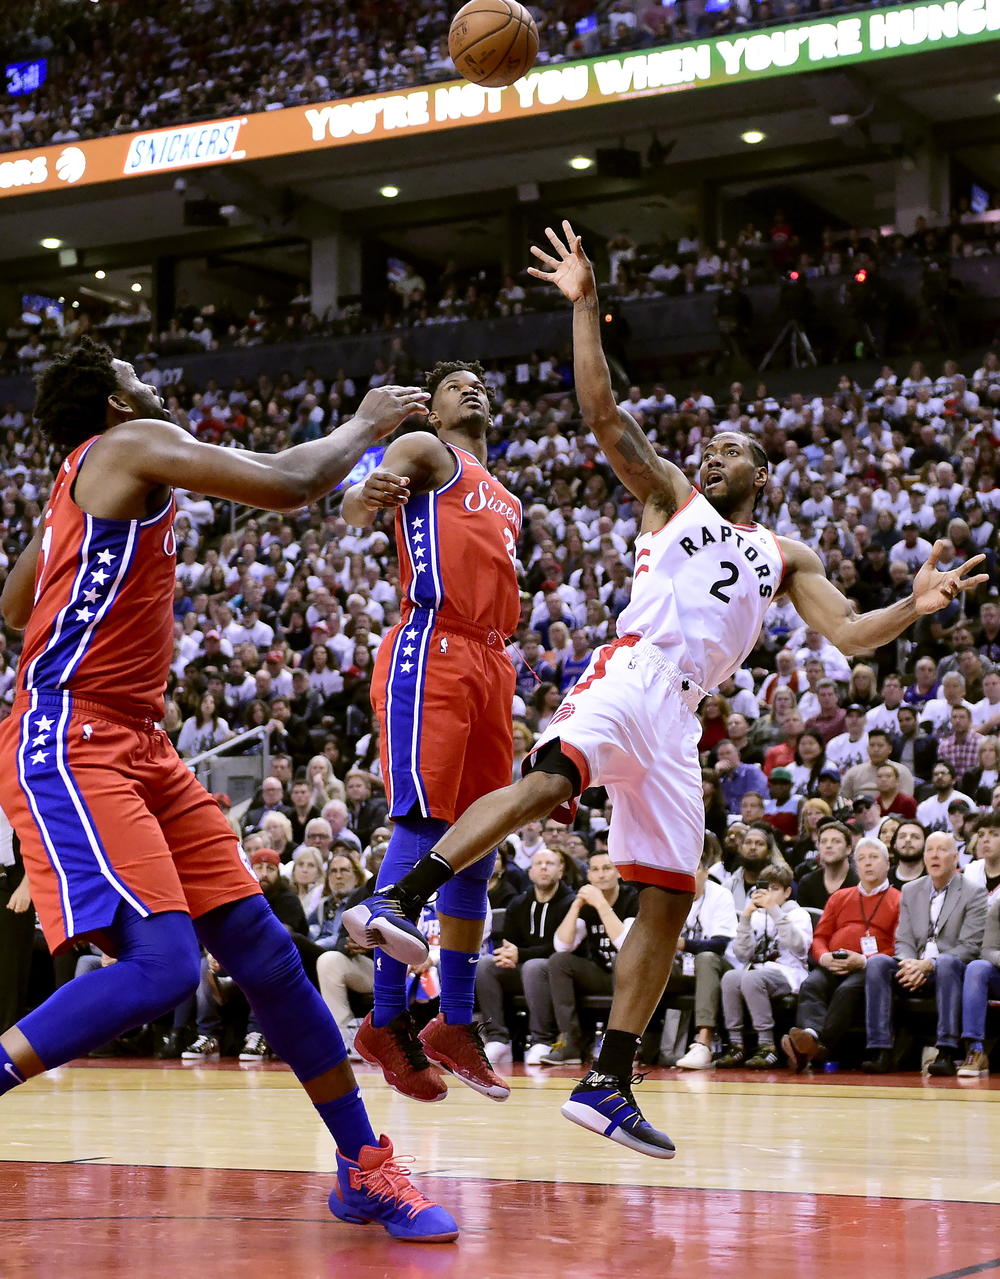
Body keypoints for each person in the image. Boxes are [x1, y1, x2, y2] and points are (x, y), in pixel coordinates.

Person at [346, 219, 986, 1159]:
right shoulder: (670, 495)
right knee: (549, 782)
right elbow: (603, 412)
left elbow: (850, 632)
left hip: (684, 717)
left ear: (763, 472)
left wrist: (912, 607)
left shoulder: (785, 554)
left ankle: (608, 1077)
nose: (715, 455)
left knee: (671, 894)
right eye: (710, 447)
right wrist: (586, 305)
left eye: (733, 450)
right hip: (635, 669)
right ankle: (402, 898)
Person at [0, 339, 457, 1243]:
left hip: (138, 740)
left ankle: (364, 1165)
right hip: (73, 734)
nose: (147, 381)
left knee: (266, 953)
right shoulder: (130, 443)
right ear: (114, 404)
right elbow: (289, 482)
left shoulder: (80, 479)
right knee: (164, 967)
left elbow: (16, 605)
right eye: (132, 374)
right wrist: (364, 425)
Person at [339, 359, 521, 1105]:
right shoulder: (426, 450)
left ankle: (454, 1022)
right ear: (436, 411)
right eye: (455, 384)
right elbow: (356, 504)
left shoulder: (507, 496)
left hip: (493, 660)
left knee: (477, 846)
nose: (472, 387)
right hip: (434, 644)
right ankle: (386, 1020)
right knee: (424, 823)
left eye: (481, 382)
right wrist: (363, 496)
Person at [862, 832, 987, 1075]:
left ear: (955, 857)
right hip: (914, 966)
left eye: (942, 850)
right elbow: (904, 939)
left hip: (950, 968)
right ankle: (880, 1050)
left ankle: (947, 1050)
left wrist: (929, 964)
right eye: (930, 850)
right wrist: (910, 964)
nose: (934, 855)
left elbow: (970, 946)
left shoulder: (974, 892)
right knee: (877, 963)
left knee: (947, 962)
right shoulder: (911, 890)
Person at [782, 836, 900, 1071]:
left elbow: (900, 945)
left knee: (847, 990)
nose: (868, 863)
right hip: (834, 962)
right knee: (811, 984)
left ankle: (819, 1046)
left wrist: (864, 960)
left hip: (870, 967)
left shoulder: (899, 899)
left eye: (874, 857)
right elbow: (820, 937)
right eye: (862, 858)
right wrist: (824, 957)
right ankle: (810, 1036)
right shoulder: (839, 897)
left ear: (887, 864)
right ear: (856, 865)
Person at [539, 849, 640, 1065]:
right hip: (600, 974)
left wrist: (601, 904)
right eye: (595, 870)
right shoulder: (587, 904)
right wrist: (576, 906)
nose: (601, 874)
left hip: (631, 976)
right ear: (589, 876)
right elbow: (562, 945)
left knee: (620, 960)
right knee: (558, 961)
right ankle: (571, 1043)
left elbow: (626, 945)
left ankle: (618, 1043)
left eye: (607, 868)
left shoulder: (632, 898)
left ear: (619, 872)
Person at [474, 847, 573, 1066]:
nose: (544, 868)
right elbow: (510, 942)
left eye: (550, 864)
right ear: (530, 871)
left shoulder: (571, 902)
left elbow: (564, 948)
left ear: (561, 870)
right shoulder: (519, 903)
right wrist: (508, 955)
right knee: (485, 965)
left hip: (556, 973)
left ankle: (542, 1040)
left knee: (534, 967)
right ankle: (497, 1038)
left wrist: (522, 955)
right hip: (523, 968)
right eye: (539, 864)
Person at [716, 863, 812, 1069]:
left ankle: (767, 1046)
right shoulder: (757, 916)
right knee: (731, 977)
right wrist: (745, 918)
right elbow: (742, 955)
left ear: (787, 892)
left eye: (775, 889)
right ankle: (735, 1044)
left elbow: (798, 947)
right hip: (758, 971)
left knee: (751, 978)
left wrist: (774, 911)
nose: (768, 894)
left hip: (789, 973)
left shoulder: (798, 914)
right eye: (765, 888)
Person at [671, 842, 739, 1070]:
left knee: (706, 957)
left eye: (695, 868)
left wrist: (681, 943)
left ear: (706, 872)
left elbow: (719, 945)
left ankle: (703, 1044)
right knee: (647, 964)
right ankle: (635, 1042)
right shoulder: (669, 897)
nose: (689, 874)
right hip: (681, 968)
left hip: (720, 969)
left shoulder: (720, 895)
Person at [796, 821, 859, 911]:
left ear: (848, 849)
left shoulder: (860, 883)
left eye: (836, 841)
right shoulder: (807, 884)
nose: (828, 846)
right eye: (824, 841)